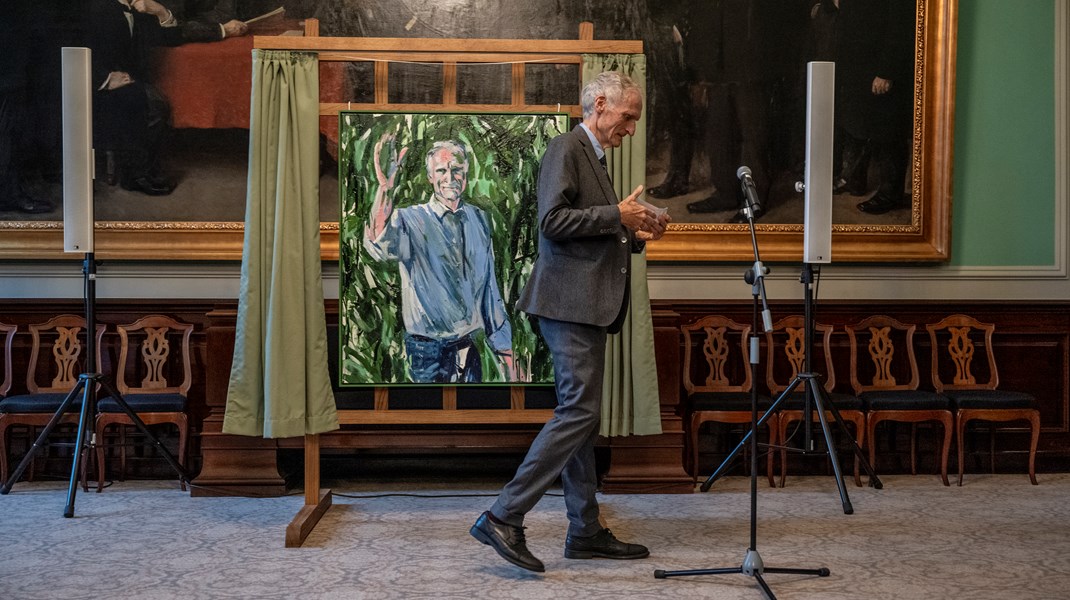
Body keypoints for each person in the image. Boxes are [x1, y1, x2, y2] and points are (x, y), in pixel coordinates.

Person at [469, 71, 670, 572]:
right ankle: (504, 515)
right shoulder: (567, 147)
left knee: (582, 417)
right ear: (599, 103)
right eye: (627, 117)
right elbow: (552, 223)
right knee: (579, 412)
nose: (631, 127)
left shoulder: (596, 158)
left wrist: (638, 230)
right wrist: (617, 217)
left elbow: (596, 226)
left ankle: (584, 531)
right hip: (568, 305)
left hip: (583, 306)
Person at [363, 137, 516, 383]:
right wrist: (385, 189)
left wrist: (505, 351)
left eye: (456, 170)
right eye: (441, 171)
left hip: (468, 350)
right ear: (430, 177)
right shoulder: (410, 219)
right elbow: (377, 245)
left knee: (472, 418)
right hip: (425, 353)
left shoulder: (479, 220)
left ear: (466, 174)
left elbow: (490, 292)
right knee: (428, 418)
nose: (450, 177)